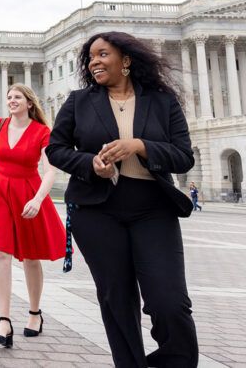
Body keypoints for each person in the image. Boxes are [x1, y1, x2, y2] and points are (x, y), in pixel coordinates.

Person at [46, 31, 199, 368]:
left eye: (103, 54)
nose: (94, 62)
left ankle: (176, 361)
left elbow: (183, 156)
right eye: (91, 57)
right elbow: (55, 150)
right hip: (98, 210)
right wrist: (90, 164)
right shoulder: (79, 101)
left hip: (153, 208)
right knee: (117, 300)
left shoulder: (162, 101)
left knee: (169, 301)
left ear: (126, 60)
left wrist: (140, 146)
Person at [0, 84, 65, 348]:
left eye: (17, 97)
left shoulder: (42, 131)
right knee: (0, 253)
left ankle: (34, 313)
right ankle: (4, 321)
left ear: (29, 103)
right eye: (9, 97)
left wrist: (39, 199)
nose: (11, 100)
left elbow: (50, 170)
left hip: (28, 192)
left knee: (30, 257)